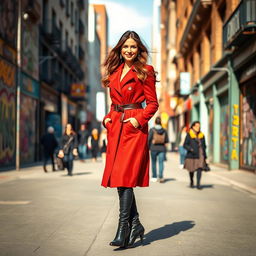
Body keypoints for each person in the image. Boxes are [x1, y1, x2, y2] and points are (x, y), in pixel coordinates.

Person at [101, 31, 158, 248]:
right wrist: (107, 118)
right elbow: (113, 103)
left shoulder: (145, 71)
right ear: (120, 48)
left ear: (138, 49)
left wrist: (138, 120)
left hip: (133, 127)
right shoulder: (114, 71)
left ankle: (123, 229)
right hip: (115, 127)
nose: (129, 50)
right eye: (126, 46)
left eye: (133, 47)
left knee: (124, 178)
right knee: (118, 178)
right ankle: (135, 225)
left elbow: (153, 104)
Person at [183, 121, 207, 189]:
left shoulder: (202, 135)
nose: (198, 127)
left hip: (200, 155)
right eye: (196, 126)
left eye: (199, 126)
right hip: (192, 155)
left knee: (199, 168)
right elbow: (185, 145)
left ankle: (198, 184)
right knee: (191, 170)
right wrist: (190, 149)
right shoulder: (189, 134)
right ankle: (191, 181)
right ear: (193, 127)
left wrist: (205, 156)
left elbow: (204, 146)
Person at [148, 117, 169, 183]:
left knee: (154, 163)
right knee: (161, 163)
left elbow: (149, 139)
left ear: (155, 122)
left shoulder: (152, 130)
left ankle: (154, 177)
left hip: (153, 148)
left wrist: (148, 148)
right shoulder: (164, 130)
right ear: (161, 122)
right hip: (162, 148)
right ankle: (161, 177)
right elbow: (166, 140)